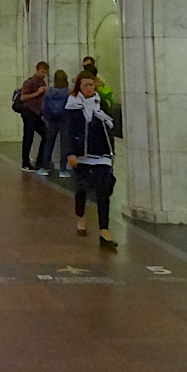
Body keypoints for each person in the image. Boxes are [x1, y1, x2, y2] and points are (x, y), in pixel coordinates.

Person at [66, 70, 118, 250]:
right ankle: (81, 217)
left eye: (91, 85)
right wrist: (71, 152)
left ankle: (104, 230)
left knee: (104, 191)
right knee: (82, 190)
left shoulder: (100, 103)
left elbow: (109, 127)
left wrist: (111, 152)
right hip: (81, 155)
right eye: (86, 85)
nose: (89, 88)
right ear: (79, 87)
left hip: (101, 154)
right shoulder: (72, 105)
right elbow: (69, 131)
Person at [38, 69, 70, 175]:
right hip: (64, 120)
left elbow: (44, 105)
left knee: (49, 143)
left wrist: (46, 116)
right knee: (64, 144)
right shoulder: (67, 92)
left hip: (51, 120)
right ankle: (62, 169)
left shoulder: (49, 91)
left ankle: (44, 167)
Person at [18, 62, 49, 171]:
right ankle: (25, 162)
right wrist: (37, 92)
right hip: (29, 112)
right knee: (28, 137)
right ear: (37, 70)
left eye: (45, 72)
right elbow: (23, 97)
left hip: (37, 113)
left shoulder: (42, 82)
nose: (44, 74)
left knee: (46, 134)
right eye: (42, 72)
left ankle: (40, 161)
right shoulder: (29, 82)